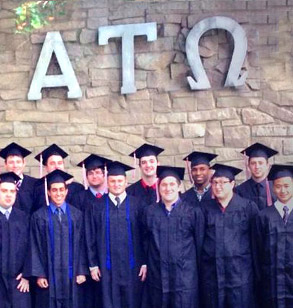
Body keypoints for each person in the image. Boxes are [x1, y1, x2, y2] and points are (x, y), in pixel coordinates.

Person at [86, 161, 146, 308]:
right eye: (112, 181)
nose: (116, 184)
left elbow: (145, 236)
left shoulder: (138, 205)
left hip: (133, 267)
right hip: (106, 269)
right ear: (107, 182)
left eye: (120, 181)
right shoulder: (96, 206)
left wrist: (145, 262)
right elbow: (90, 236)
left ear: (126, 182)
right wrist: (92, 264)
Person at [142, 166, 205, 308]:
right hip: (158, 277)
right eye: (163, 184)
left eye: (172, 184)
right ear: (159, 188)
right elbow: (145, 242)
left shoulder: (192, 212)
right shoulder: (150, 212)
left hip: (185, 278)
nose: (167, 188)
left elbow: (199, 245)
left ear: (179, 187)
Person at [200, 164, 259, 308]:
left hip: (240, 275)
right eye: (215, 182)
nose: (218, 186)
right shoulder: (204, 209)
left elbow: (256, 242)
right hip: (212, 276)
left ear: (232, 184)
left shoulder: (248, 207)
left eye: (223, 182)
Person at [28, 169, 88, 308]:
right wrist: (40, 274)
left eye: (61, 189)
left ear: (67, 191)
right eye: (54, 190)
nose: (58, 193)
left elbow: (83, 244)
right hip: (48, 276)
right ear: (48, 192)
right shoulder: (38, 216)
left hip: (72, 276)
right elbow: (34, 246)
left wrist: (81, 270)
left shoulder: (77, 215)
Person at [71, 154, 111, 308]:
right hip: (85, 260)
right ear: (86, 176)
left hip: (108, 260)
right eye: (91, 173)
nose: (94, 176)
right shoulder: (78, 199)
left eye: (98, 172)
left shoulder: (112, 198)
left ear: (104, 174)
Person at [253, 164, 293, 308]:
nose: (283, 190)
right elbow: (257, 251)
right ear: (272, 188)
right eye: (278, 186)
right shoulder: (263, 216)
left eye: (287, 185)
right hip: (271, 282)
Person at [0, 172, 31, 308]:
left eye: (12, 191)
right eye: (4, 191)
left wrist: (27, 274)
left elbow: (32, 248)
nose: (8, 194)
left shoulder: (24, 218)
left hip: (19, 282)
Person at [33, 144, 84, 212]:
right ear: (46, 168)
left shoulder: (77, 188)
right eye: (52, 163)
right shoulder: (38, 188)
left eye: (59, 163)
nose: (57, 166)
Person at [236, 142, 278, 210]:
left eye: (260, 163)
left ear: (267, 165)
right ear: (248, 166)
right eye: (253, 163)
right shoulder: (240, 190)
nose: (257, 167)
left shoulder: (276, 188)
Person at [0, 142, 37, 215]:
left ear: (24, 163)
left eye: (18, 162)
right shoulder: (1, 184)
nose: (15, 165)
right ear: (5, 164)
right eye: (11, 162)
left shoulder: (35, 184)